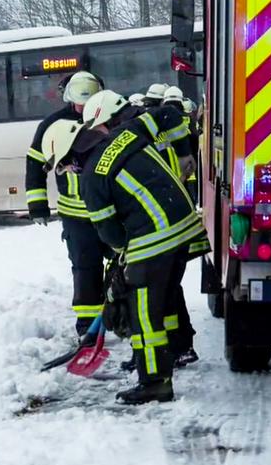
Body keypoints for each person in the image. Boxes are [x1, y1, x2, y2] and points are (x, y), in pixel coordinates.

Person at [64, 90, 204, 404]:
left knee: (144, 318)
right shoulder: (128, 133)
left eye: (66, 166)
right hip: (184, 227)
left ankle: (155, 382)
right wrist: (185, 152)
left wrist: (121, 252)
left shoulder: (90, 179)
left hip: (155, 239)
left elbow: (110, 232)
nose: (70, 172)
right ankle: (178, 349)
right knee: (166, 297)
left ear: (73, 157)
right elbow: (172, 115)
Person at [24, 71, 108, 336]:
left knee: (127, 268)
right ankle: (87, 327)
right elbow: (35, 163)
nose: (83, 108)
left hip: (112, 209)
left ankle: (126, 319)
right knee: (85, 269)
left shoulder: (109, 116)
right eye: (80, 103)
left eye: (88, 102)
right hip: (76, 214)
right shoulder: (53, 124)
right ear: (70, 98)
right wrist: (37, 205)